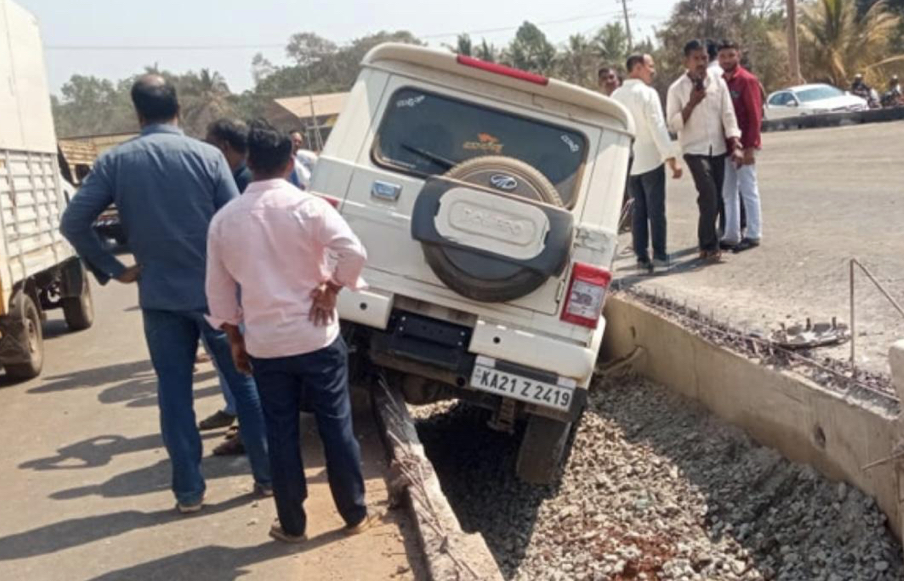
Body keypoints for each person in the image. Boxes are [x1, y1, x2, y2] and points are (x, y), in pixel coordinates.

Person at [60, 75, 271, 513]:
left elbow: (73, 222)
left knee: (174, 393)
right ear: (178, 109)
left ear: (138, 114)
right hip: (217, 297)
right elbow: (237, 220)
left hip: (158, 297)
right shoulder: (208, 156)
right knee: (244, 383)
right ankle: (267, 478)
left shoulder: (116, 161)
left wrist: (114, 269)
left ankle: (189, 493)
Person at [206, 121, 372, 543]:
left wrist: (236, 340)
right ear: (290, 161)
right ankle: (353, 513)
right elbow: (354, 252)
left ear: (248, 161)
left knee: (280, 433)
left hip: (265, 344)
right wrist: (331, 287)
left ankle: (293, 524)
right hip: (316, 336)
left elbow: (218, 290)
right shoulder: (310, 207)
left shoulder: (225, 221)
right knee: (337, 424)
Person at [201, 118, 253, 455]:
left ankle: (249, 433)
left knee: (245, 361)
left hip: (244, 284)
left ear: (223, 146)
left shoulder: (241, 182)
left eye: (209, 142)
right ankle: (241, 419)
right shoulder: (237, 177)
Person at [667, 40, 743, 262]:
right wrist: (691, 103)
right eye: (696, 59)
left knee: (715, 197)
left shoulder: (717, 82)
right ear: (686, 61)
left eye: (704, 58)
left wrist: (735, 142)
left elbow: (727, 114)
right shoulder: (676, 89)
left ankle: (709, 241)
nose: (701, 63)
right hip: (693, 149)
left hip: (717, 147)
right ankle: (708, 244)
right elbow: (673, 124)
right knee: (708, 193)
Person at [612, 53, 683, 273]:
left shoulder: (615, 95)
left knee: (638, 212)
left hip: (629, 162)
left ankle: (642, 259)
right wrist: (671, 159)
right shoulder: (647, 93)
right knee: (656, 211)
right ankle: (660, 257)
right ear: (638, 67)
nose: (653, 70)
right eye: (650, 66)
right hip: (651, 159)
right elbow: (657, 127)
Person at [718, 40, 763, 253]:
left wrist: (750, 147)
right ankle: (731, 234)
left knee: (748, 189)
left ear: (738, 56)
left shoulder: (747, 80)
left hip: (744, 145)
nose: (727, 60)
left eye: (730, 55)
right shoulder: (718, 82)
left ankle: (753, 233)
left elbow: (755, 116)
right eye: (723, 56)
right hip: (725, 145)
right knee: (728, 192)